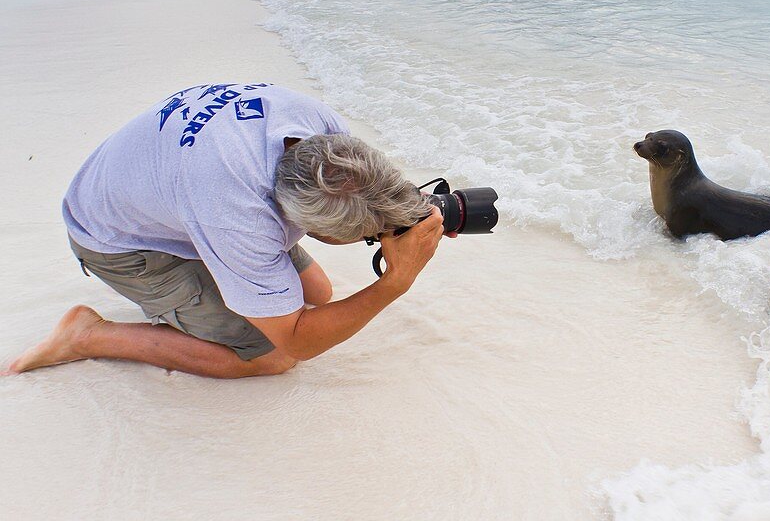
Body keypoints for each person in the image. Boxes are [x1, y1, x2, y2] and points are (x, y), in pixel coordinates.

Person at [5, 83, 445, 379]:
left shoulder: (317, 124)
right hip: (116, 239)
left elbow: (359, 188)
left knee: (320, 293)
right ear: (297, 218)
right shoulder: (235, 212)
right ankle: (86, 335)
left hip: (162, 194)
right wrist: (396, 282)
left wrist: (401, 211)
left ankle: (218, 284)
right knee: (274, 359)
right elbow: (298, 341)